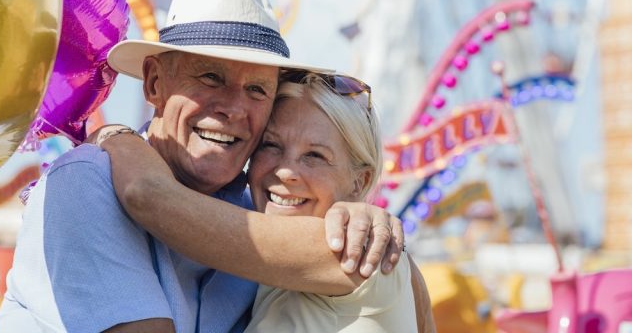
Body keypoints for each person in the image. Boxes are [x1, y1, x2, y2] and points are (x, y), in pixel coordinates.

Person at [0, 0, 404, 332]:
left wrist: (358, 214)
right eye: (210, 77)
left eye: (257, 89)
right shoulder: (85, 181)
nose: (234, 108)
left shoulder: (263, 211)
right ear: (154, 83)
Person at [99, 72, 436, 332]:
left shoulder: (351, 251)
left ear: (359, 181)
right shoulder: (274, 268)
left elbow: (147, 195)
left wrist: (113, 135)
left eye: (315, 155)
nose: (286, 170)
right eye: (271, 146)